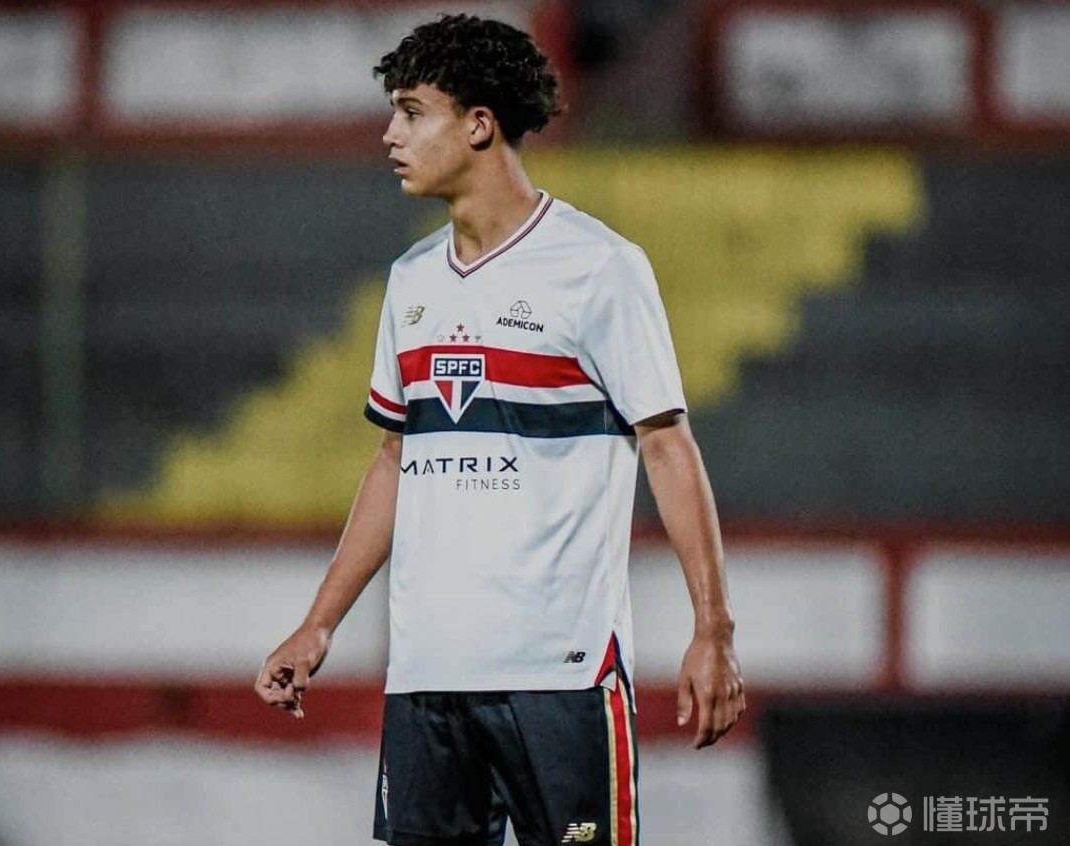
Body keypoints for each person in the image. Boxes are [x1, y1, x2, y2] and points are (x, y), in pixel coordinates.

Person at [255, 14, 745, 846]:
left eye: (412, 112)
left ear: (478, 124)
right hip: (426, 677)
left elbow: (667, 447)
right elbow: (396, 458)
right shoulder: (411, 281)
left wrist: (714, 630)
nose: (390, 134)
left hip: (560, 675)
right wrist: (320, 621)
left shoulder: (599, 268)